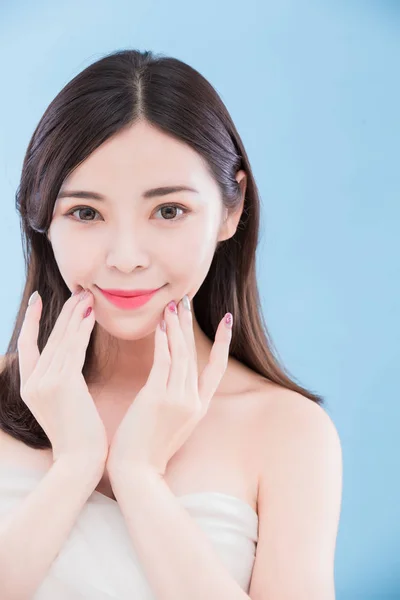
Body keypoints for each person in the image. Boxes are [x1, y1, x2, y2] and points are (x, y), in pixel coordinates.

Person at [0, 48, 342, 599]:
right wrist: (75, 468)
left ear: (232, 210)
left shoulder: (288, 431)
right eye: (85, 213)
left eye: (168, 211)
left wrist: (139, 480)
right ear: (43, 216)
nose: (128, 256)